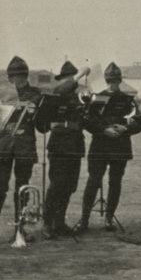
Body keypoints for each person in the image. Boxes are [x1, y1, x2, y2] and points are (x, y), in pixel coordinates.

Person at [75, 62, 141, 233]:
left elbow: (140, 123)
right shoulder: (96, 98)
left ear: (120, 81)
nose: (113, 84)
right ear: (106, 81)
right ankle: (84, 219)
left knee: (115, 182)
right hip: (100, 145)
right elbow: (86, 121)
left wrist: (126, 129)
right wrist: (103, 130)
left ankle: (109, 218)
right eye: (110, 81)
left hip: (120, 146)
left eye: (116, 81)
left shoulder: (128, 100)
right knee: (93, 181)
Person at [0, 56, 41, 245]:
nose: (15, 81)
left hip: (25, 145)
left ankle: (20, 230)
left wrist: (36, 113)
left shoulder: (35, 94)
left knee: (22, 188)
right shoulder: (1, 95)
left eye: (18, 77)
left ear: (25, 77)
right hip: (5, 145)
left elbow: (42, 126)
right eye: (13, 77)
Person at [36, 60, 86, 239]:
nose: (73, 81)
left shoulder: (76, 96)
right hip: (60, 145)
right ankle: (47, 224)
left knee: (70, 186)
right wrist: (78, 77)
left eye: (73, 78)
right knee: (57, 185)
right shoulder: (58, 92)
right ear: (64, 79)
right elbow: (62, 90)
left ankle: (59, 222)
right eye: (70, 78)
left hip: (75, 145)